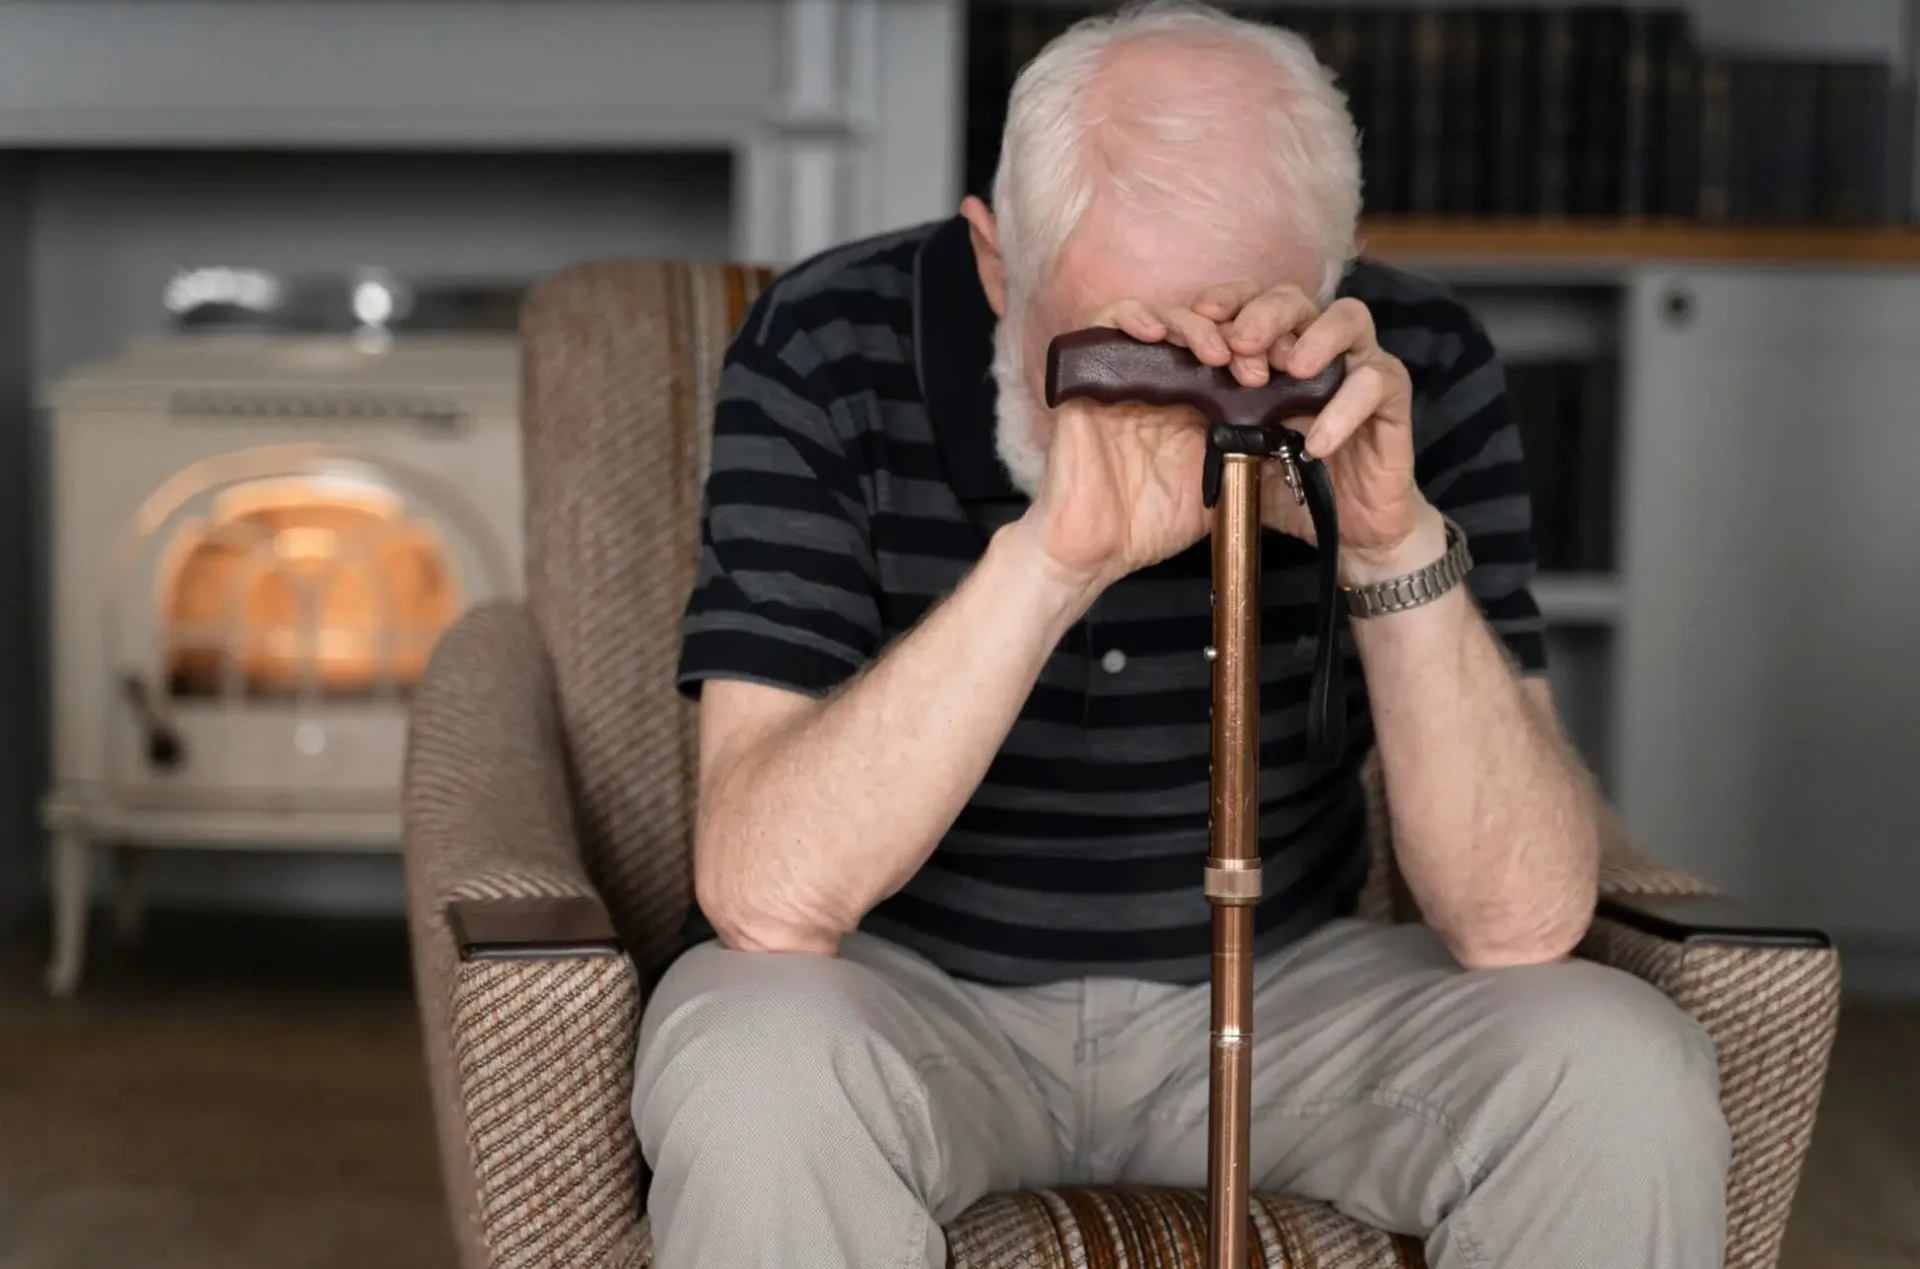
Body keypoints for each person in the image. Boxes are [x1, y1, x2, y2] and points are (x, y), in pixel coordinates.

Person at [633, 3, 1729, 1266]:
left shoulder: (1409, 367)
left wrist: (1390, 545)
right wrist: (1052, 561)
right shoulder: (828, 345)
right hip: (904, 996)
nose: (1184, 407)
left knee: (1619, 1071)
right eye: (1118, 349)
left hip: (1286, 993)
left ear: (1332, 281)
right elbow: (767, 899)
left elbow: (1520, 923)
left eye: (1237, 351)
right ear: (996, 266)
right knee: (751, 1067)